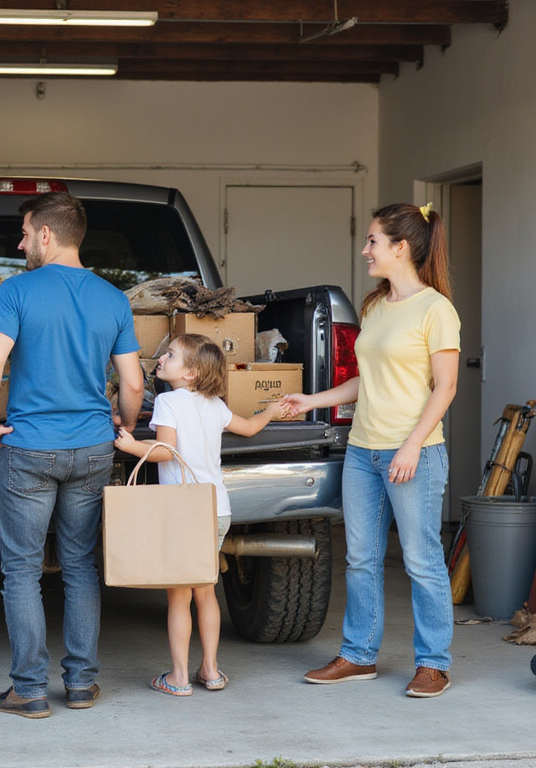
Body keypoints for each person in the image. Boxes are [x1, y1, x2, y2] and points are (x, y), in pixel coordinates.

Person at [0, 191, 144, 719]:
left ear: (46, 234)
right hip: (93, 448)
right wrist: (127, 427)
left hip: (29, 449)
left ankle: (28, 690)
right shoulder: (113, 298)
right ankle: (81, 684)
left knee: (22, 570)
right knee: (80, 567)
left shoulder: (18, 291)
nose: (21, 244)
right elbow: (133, 381)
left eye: (24, 234)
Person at [284, 202, 460, 698]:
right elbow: (368, 379)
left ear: (400, 248)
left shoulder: (436, 310)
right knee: (360, 557)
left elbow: (444, 388)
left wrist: (411, 446)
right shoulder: (376, 306)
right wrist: (312, 400)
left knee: (421, 560)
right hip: (363, 451)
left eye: (373, 242)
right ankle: (358, 656)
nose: (366, 250)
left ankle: (434, 663)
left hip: (413, 453)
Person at [114, 334, 288, 697]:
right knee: (206, 592)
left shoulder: (167, 401)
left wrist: (132, 446)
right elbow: (251, 428)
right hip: (216, 508)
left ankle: (178, 677)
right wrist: (272, 410)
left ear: (190, 373)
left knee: (179, 596)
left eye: (171, 355)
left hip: (182, 511)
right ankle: (210, 669)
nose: (161, 358)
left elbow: (165, 451)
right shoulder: (215, 405)